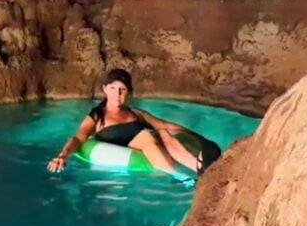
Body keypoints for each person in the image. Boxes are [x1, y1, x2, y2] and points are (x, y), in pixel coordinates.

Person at [47, 68, 221, 176]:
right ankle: (179, 177)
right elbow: (79, 138)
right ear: (105, 90)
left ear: (129, 93)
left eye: (122, 90)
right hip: (131, 141)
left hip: (147, 141)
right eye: (113, 88)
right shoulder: (97, 116)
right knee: (148, 138)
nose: (117, 94)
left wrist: (200, 138)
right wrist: (63, 155)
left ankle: (199, 168)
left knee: (162, 132)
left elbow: (167, 125)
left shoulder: (136, 114)